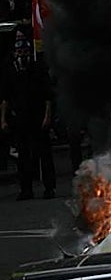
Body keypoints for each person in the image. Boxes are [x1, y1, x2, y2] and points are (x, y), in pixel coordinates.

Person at [0, 32, 55, 200]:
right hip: (20, 118)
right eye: (19, 51)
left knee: (44, 153)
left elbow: (48, 96)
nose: (22, 54)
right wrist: (3, 119)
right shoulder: (10, 70)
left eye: (25, 51)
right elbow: (5, 98)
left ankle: (49, 188)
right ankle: (26, 189)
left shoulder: (38, 68)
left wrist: (47, 116)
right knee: (23, 156)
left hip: (38, 116)